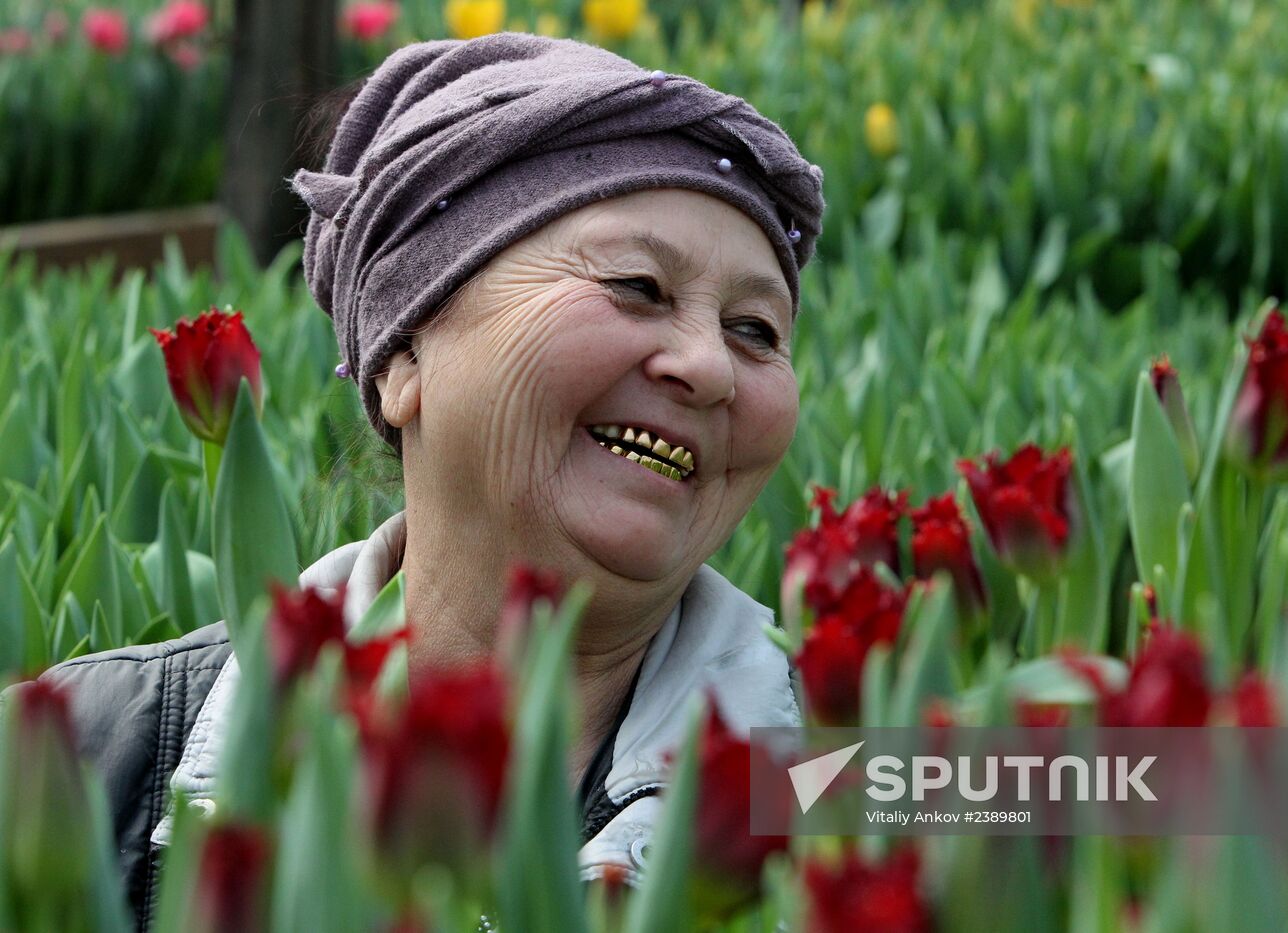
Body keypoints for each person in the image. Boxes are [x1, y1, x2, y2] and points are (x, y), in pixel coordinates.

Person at [3, 31, 825, 929]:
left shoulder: (886, 790)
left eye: (756, 330)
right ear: (401, 362)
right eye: (637, 285)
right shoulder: (72, 754)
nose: (709, 365)